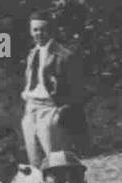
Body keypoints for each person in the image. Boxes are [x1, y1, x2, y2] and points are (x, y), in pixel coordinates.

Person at [21, 10, 88, 168]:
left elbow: (77, 91)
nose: (39, 33)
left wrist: (60, 113)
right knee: (35, 161)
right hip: (30, 109)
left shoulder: (64, 56)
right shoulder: (32, 54)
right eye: (35, 30)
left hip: (50, 110)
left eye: (42, 29)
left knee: (56, 161)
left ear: (51, 30)